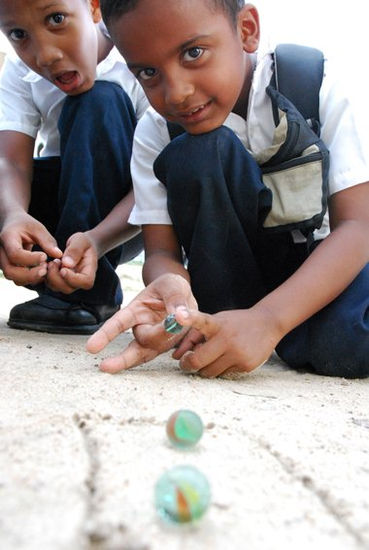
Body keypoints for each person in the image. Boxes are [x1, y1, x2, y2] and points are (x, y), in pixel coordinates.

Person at [87, 0, 369, 378]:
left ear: (247, 30)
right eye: (149, 72)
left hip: (319, 267)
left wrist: (269, 320)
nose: (177, 93)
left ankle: (274, 329)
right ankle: (234, 325)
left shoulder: (318, 85)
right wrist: (171, 291)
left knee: (343, 342)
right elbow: (160, 252)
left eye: (193, 53)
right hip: (228, 282)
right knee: (199, 152)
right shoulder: (156, 131)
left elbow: (358, 227)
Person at [0, 0, 148, 334]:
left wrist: (97, 239)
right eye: (19, 34)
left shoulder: (139, 49)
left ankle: (88, 295)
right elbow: (11, 161)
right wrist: (13, 214)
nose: (45, 55)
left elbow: (156, 182)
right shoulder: (18, 73)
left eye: (56, 19)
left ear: (95, 7)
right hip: (56, 213)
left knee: (99, 100)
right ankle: (54, 283)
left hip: (127, 215)